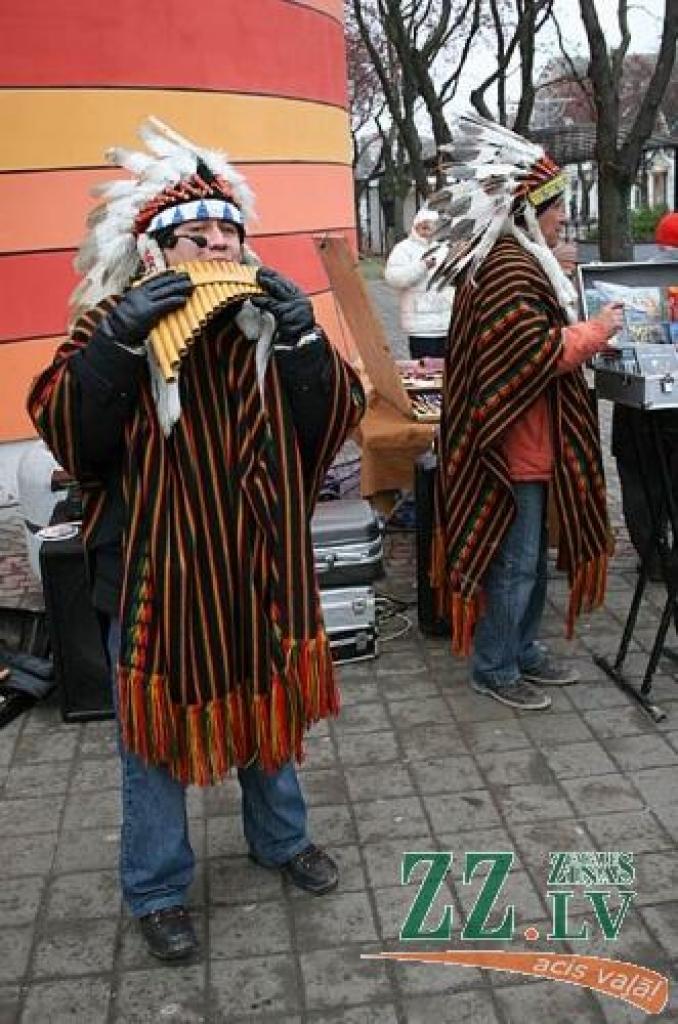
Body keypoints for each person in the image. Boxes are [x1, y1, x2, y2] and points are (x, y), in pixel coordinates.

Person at [27, 118, 364, 961]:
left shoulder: (269, 329)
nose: (219, 247)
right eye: (194, 237)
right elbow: (71, 432)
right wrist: (118, 341)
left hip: (258, 571)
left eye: (229, 234)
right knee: (152, 744)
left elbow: (335, 421)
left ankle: (281, 840)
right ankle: (156, 886)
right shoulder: (115, 325)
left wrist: (303, 340)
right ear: (153, 256)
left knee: (269, 711)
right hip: (157, 578)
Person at [430, 113, 624, 711]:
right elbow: (534, 353)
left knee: (531, 563)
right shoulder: (508, 267)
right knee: (514, 566)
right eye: (555, 206)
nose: (563, 217)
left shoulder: (518, 261)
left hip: (532, 445)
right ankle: (495, 665)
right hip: (514, 452)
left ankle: (522, 647)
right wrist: (595, 331)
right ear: (525, 211)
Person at [611, 209, 678, 580]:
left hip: (638, 400)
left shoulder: (634, 286)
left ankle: (652, 558)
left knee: (640, 481)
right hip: (651, 400)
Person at [384, 208, 454, 359]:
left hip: (448, 324)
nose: (428, 230)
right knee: (424, 373)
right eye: (424, 226)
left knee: (448, 371)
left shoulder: (446, 248)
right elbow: (394, 278)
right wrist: (422, 267)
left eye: (432, 226)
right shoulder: (403, 249)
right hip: (421, 327)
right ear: (415, 226)